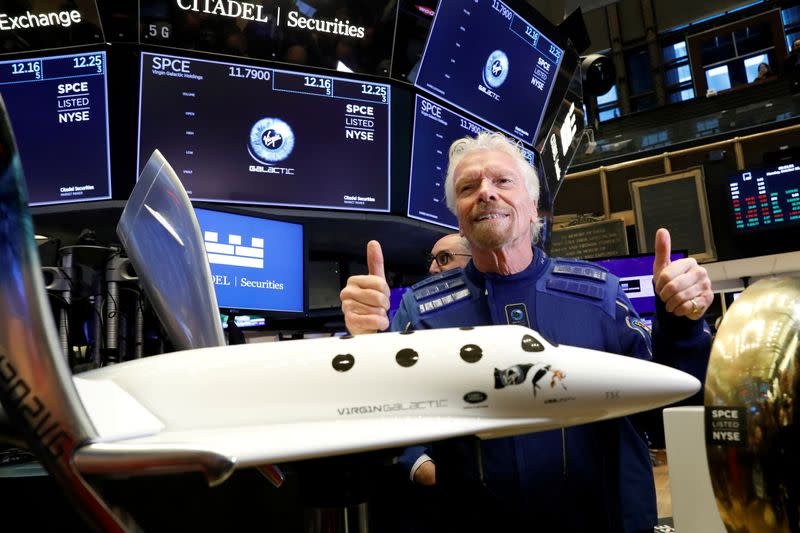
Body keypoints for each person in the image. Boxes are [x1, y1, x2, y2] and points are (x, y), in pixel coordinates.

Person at [339, 132, 712, 532]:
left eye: (502, 181)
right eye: (468, 187)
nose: (485, 193)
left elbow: (664, 419)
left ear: (534, 208)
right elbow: (386, 422)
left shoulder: (599, 294)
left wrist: (682, 324)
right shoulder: (421, 310)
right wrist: (368, 348)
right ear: (459, 219)